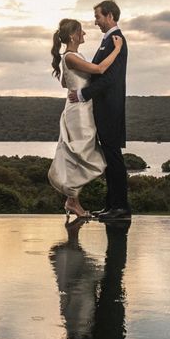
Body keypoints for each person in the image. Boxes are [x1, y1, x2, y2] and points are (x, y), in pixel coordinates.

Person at [48, 18, 124, 218]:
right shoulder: (71, 57)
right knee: (85, 154)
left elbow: (65, 84)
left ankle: (73, 200)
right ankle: (72, 199)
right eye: (81, 31)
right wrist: (117, 50)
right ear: (73, 35)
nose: (85, 34)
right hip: (79, 112)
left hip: (80, 108)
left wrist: (77, 86)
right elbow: (99, 70)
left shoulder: (70, 57)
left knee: (81, 154)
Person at [68, 0, 130, 221]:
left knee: (114, 158)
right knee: (110, 158)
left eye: (98, 17)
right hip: (104, 109)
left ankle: (121, 208)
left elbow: (110, 77)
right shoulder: (109, 41)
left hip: (110, 109)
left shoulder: (116, 40)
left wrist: (84, 94)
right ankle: (112, 205)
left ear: (110, 16)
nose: (96, 22)